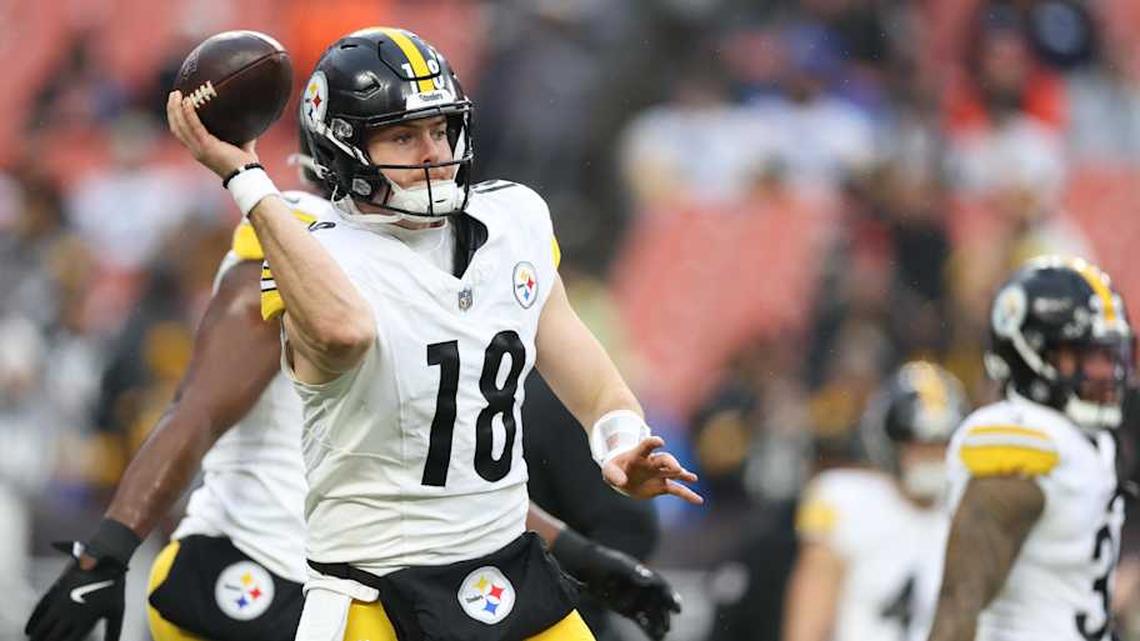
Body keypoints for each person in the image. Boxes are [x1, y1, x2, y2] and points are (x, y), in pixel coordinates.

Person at [24, 124, 680, 641]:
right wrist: (106, 552)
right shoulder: (299, 249)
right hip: (257, 574)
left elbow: (442, 483)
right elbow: (194, 414)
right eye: (400, 141)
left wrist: (585, 557)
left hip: (369, 581)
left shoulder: (428, 272)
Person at [166, 25, 701, 641]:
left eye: (440, 128)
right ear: (344, 147)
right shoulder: (310, 250)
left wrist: (619, 442)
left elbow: (592, 380)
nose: (431, 150)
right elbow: (343, 333)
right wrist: (246, 180)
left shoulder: (512, 220)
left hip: (506, 576)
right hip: (372, 596)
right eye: (402, 134)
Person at [927, 255, 1132, 641]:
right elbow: (959, 597)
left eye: (1109, 355)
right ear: (1030, 353)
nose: (1106, 373)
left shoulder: (1090, 443)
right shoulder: (1020, 438)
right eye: (1085, 356)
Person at [783, 361, 969, 641]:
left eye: (940, 443)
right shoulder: (844, 500)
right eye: (918, 443)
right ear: (889, 444)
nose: (930, 456)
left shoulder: (970, 512)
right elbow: (809, 623)